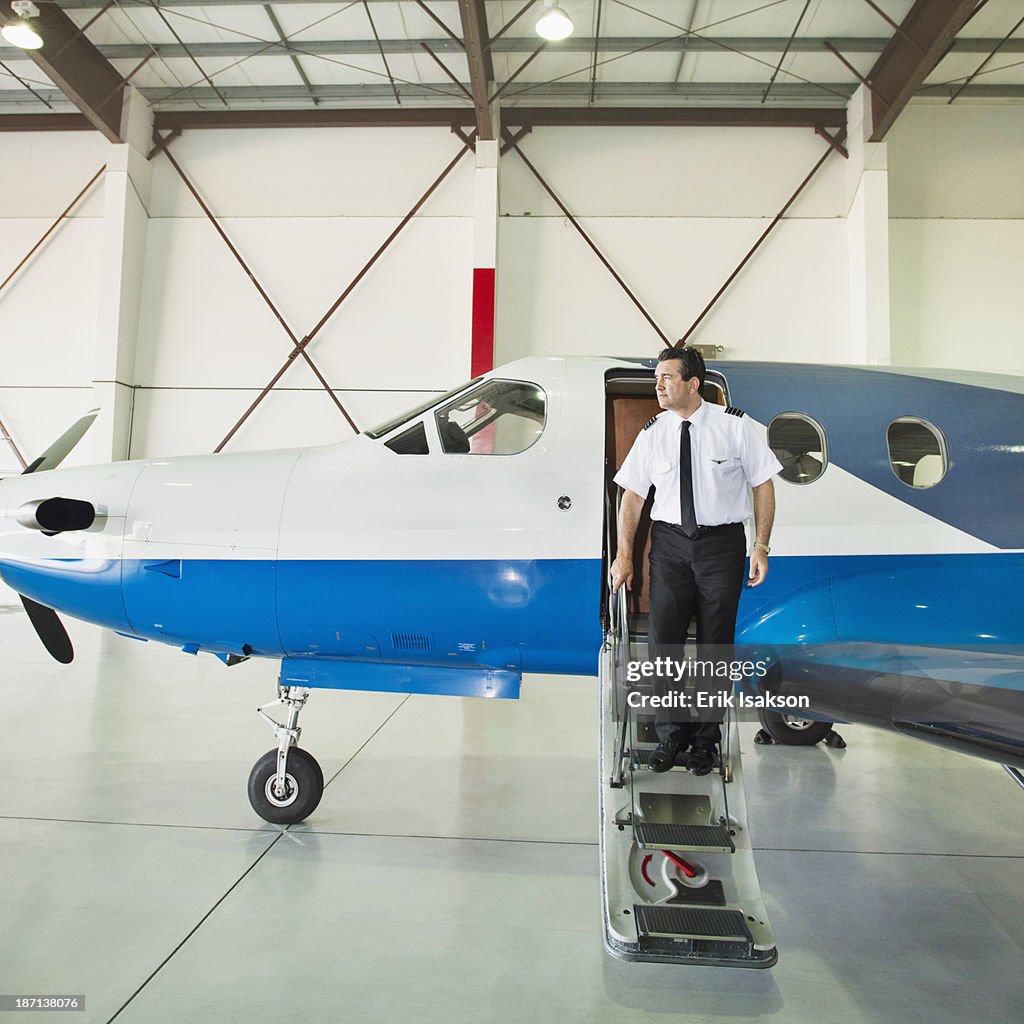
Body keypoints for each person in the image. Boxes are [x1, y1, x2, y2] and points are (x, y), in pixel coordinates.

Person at [610, 345, 781, 774]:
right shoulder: (653, 433)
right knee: (663, 644)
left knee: (714, 647)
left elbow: (763, 486)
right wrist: (624, 553)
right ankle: (670, 737)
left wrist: (760, 544)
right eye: (657, 378)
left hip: (721, 546)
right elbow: (632, 495)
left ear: (692, 383)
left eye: (667, 378)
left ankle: (704, 742)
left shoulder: (736, 428)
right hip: (669, 546)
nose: (659, 385)